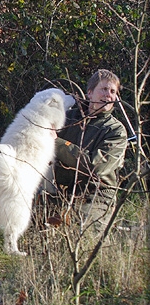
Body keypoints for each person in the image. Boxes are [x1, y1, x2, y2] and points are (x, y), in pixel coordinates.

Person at [53, 69, 128, 234]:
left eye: (113, 91)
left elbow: (97, 167)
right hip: (61, 190)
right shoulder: (67, 117)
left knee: (82, 234)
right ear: (90, 93)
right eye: (103, 89)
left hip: (96, 194)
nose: (108, 95)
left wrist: (56, 142)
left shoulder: (116, 130)